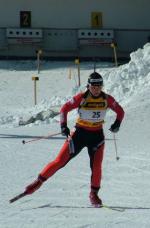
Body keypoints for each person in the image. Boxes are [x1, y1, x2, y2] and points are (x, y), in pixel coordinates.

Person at [24, 72, 125, 207]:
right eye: (93, 86)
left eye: (98, 86)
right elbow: (64, 109)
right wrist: (63, 126)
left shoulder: (107, 99)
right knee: (60, 161)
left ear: (102, 86)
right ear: (88, 86)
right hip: (79, 134)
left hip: (96, 137)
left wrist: (117, 124)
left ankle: (94, 194)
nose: (96, 89)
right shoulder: (82, 98)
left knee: (96, 167)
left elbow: (120, 111)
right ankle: (38, 182)